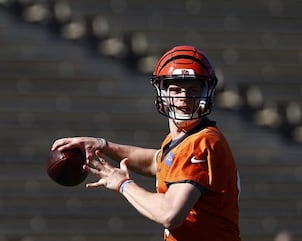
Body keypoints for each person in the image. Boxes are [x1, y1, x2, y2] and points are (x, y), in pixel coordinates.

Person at [51, 45, 242, 241]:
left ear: (206, 93)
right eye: (176, 90)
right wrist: (102, 145)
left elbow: (170, 214)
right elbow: (156, 162)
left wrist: (123, 183)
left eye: (193, 90)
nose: (184, 98)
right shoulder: (184, 138)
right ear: (162, 93)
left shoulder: (199, 143)